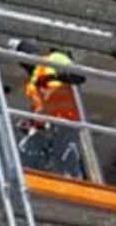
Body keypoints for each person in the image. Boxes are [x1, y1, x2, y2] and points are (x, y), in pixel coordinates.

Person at [12, 40, 88, 180]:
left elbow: (80, 76)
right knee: (25, 149)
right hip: (47, 126)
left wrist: (54, 77)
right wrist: (31, 122)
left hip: (66, 119)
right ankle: (34, 181)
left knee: (63, 156)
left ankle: (74, 183)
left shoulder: (53, 59)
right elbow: (39, 107)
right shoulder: (30, 83)